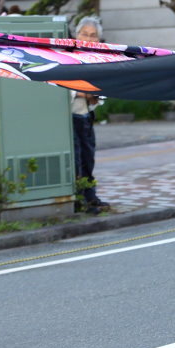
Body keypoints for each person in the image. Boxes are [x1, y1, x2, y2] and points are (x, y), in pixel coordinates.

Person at [71, 15, 109, 214]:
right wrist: (81, 92)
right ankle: (79, 198)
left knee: (88, 157)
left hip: (86, 114)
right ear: (76, 35)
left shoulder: (97, 58)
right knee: (76, 158)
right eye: (84, 34)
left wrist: (94, 96)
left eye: (93, 35)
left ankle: (90, 195)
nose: (88, 38)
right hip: (71, 115)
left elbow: (101, 88)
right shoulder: (68, 55)